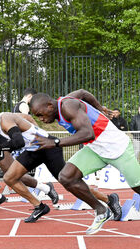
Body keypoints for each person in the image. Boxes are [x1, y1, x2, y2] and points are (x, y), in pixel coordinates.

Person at [0, 103, 122, 223]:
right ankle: (39, 206)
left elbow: (17, 142)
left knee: (69, 182)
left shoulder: (4, 119)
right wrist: (31, 125)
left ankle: (109, 199)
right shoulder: (3, 120)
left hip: (48, 147)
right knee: (9, 177)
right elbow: (23, 121)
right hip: (33, 150)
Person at [30, 89, 140, 234]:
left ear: (50, 106)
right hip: (96, 150)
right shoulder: (66, 101)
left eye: (40, 114)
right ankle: (101, 211)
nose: (41, 119)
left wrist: (55, 142)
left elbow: (87, 133)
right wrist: (100, 109)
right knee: (66, 176)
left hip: (118, 148)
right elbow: (83, 93)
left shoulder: (68, 106)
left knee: (137, 186)